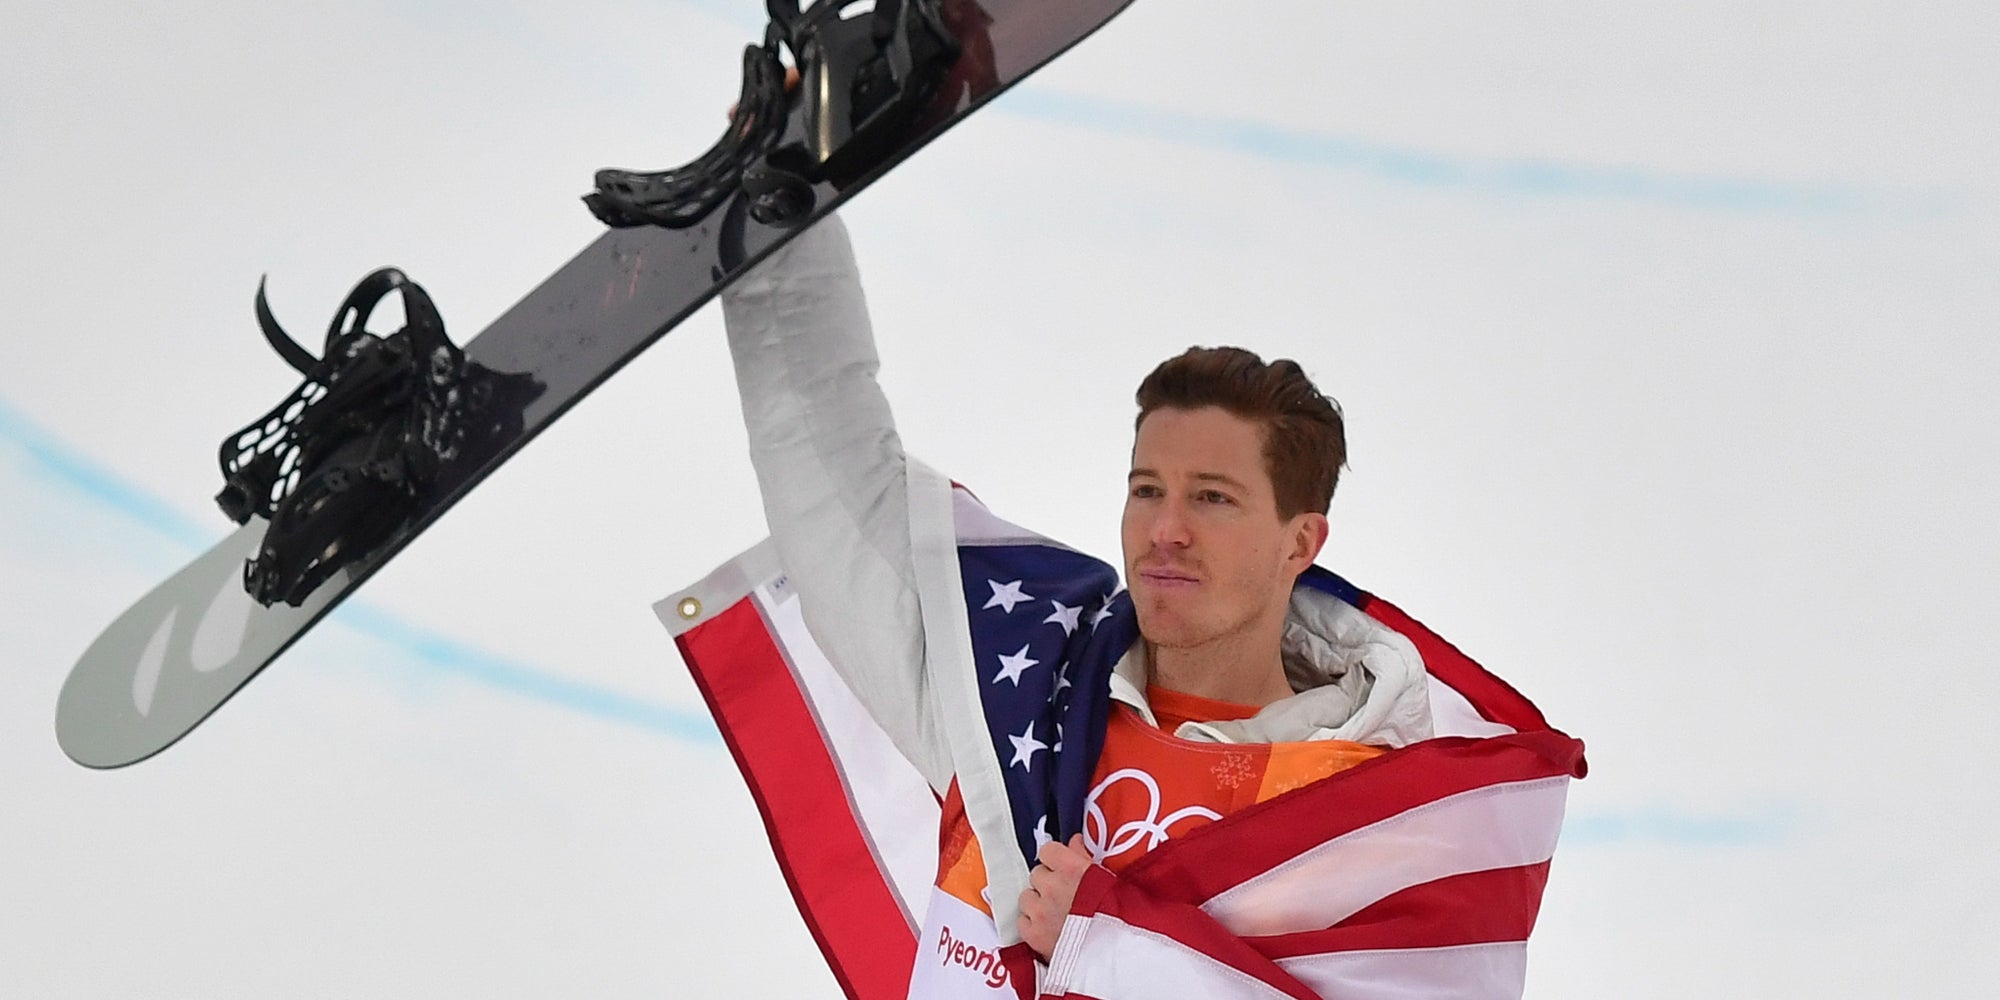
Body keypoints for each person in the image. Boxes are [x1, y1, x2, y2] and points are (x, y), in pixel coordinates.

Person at [714, 215, 1580, 999]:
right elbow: (834, 486)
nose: (1164, 531)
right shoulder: (1014, 683)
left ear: (1299, 542)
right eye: (1146, 489)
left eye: (1212, 498)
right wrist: (779, 227)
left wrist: (1107, 945)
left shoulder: (1381, 810)